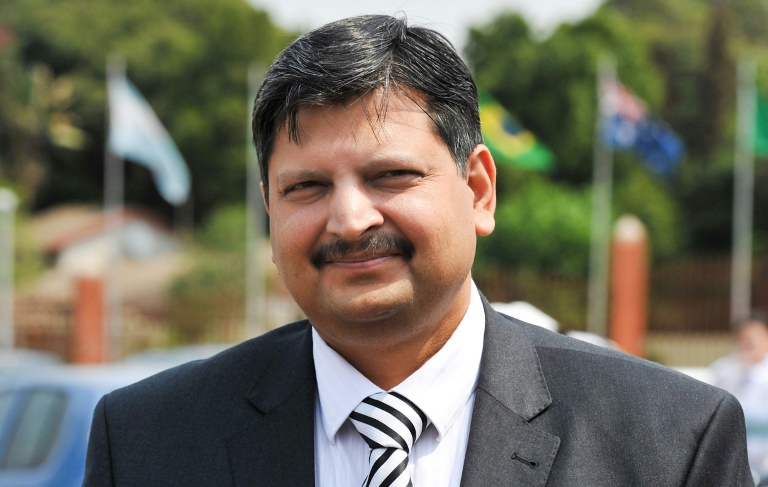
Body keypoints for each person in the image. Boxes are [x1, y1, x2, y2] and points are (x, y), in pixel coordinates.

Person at [83, 14, 752, 486]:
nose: (349, 220)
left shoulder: (669, 442)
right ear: (270, 208)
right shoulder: (147, 441)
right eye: (307, 187)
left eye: (390, 176)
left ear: (479, 190)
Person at [712, 312, 768, 482]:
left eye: (754, 338)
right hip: (732, 466)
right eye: (744, 338)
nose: (748, 343)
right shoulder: (724, 371)